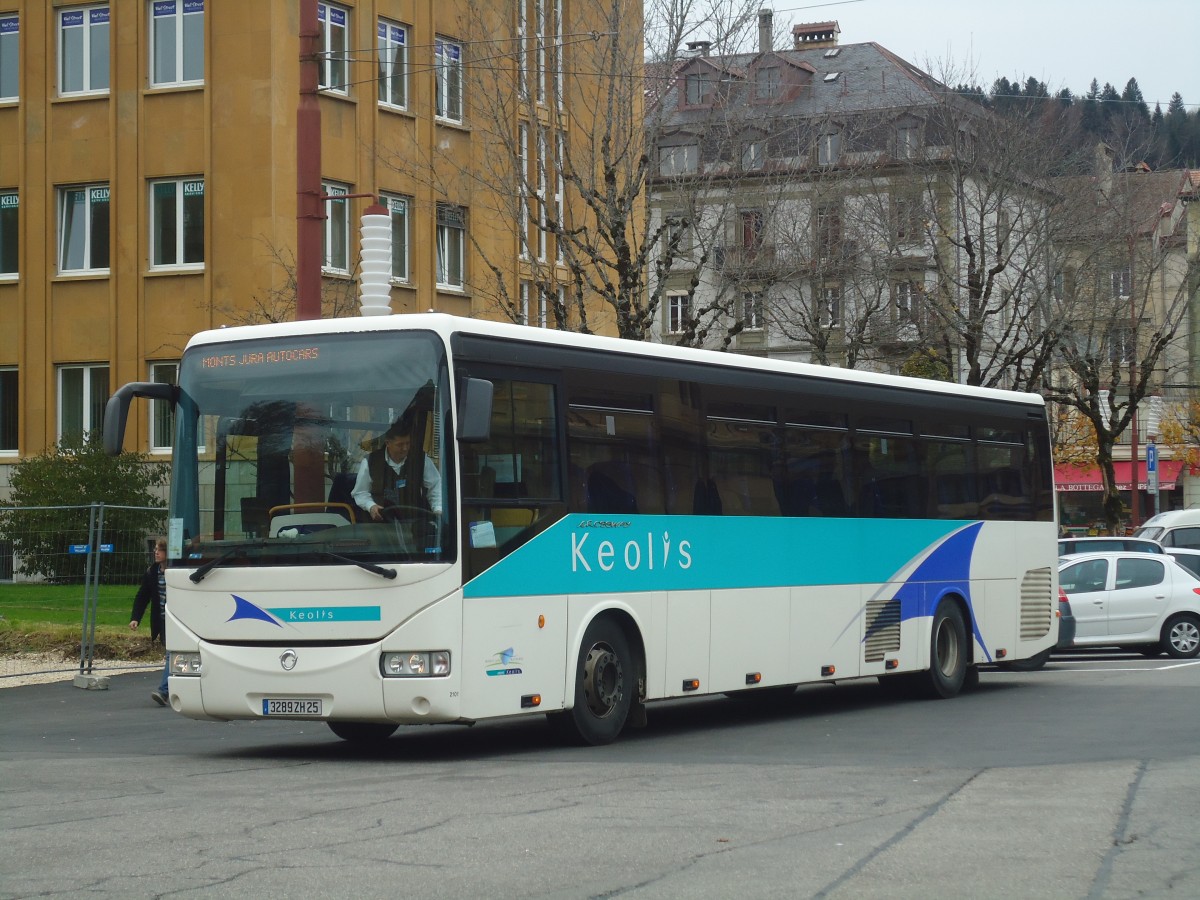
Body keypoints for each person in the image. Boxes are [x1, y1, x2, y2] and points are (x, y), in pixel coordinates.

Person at [351, 414, 443, 521]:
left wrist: (438, 509)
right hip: (381, 524)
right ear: (388, 443)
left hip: (414, 525)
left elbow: (436, 485)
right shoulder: (369, 462)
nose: (405, 448)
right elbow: (360, 492)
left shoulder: (421, 459)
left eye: (408, 443)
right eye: (400, 444)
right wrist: (370, 506)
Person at [129, 537, 170, 707]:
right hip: (162, 620)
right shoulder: (152, 572)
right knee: (174, 656)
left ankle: (164, 691)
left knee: (171, 655)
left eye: (159, 549)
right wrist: (135, 618)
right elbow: (142, 596)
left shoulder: (178, 570)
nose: (156, 552)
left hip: (178, 620)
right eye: (155, 549)